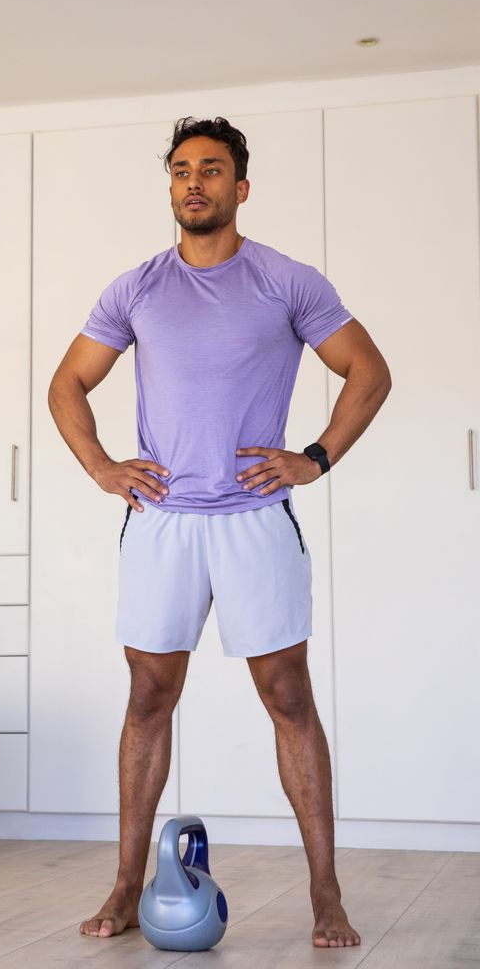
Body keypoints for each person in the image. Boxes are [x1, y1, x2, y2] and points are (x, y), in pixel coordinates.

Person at [47, 116, 391, 949]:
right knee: (149, 697)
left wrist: (313, 457)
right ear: (170, 187)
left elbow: (368, 372)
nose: (193, 182)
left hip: (252, 521)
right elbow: (68, 385)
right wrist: (102, 468)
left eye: (211, 169)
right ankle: (127, 885)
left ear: (240, 187)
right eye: (180, 170)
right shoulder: (135, 288)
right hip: (161, 522)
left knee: (288, 697)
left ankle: (326, 895)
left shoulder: (287, 282)